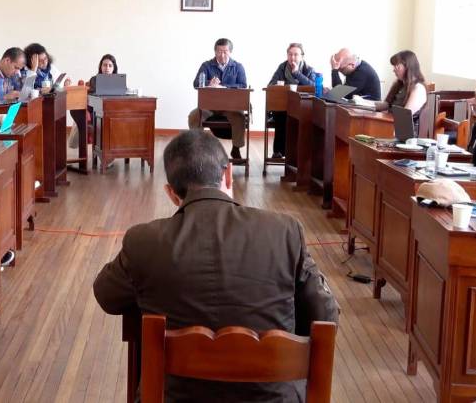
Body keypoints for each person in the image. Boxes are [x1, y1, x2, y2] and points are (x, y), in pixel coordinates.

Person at [93, 130, 338, 402]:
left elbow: (106, 296)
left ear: (172, 193)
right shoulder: (284, 231)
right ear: (228, 174)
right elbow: (326, 314)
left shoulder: (144, 241)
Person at [187, 38, 248, 159]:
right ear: (215, 52)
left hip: (230, 107)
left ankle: (236, 148)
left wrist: (224, 86)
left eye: (225, 51)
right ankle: (198, 148)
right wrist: (209, 83)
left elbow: (243, 85)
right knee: (194, 116)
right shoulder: (207, 65)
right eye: (219, 51)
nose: (222, 54)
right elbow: (195, 83)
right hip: (209, 106)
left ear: (230, 52)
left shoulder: (238, 67)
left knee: (240, 117)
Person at [268, 43, 316, 158]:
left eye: (296, 54)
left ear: (302, 56)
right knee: (281, 115)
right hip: (283, 104)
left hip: (302, 106)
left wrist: (297, 74)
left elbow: (313, 87)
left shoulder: (308, 69)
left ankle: (297, 153)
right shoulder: (282, 67)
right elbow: (271, 85)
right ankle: (278, 151)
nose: (292, 57)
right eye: (290, 54)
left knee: (301, 119)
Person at [373, 50, 428, 131]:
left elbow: (404, 116)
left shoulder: (418, 88)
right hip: (390, 124)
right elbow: (387, 104)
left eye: (397, 66)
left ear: (408, 67)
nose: (394, 70)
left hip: (404, 133)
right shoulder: (399, 84)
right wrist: (363, 104)